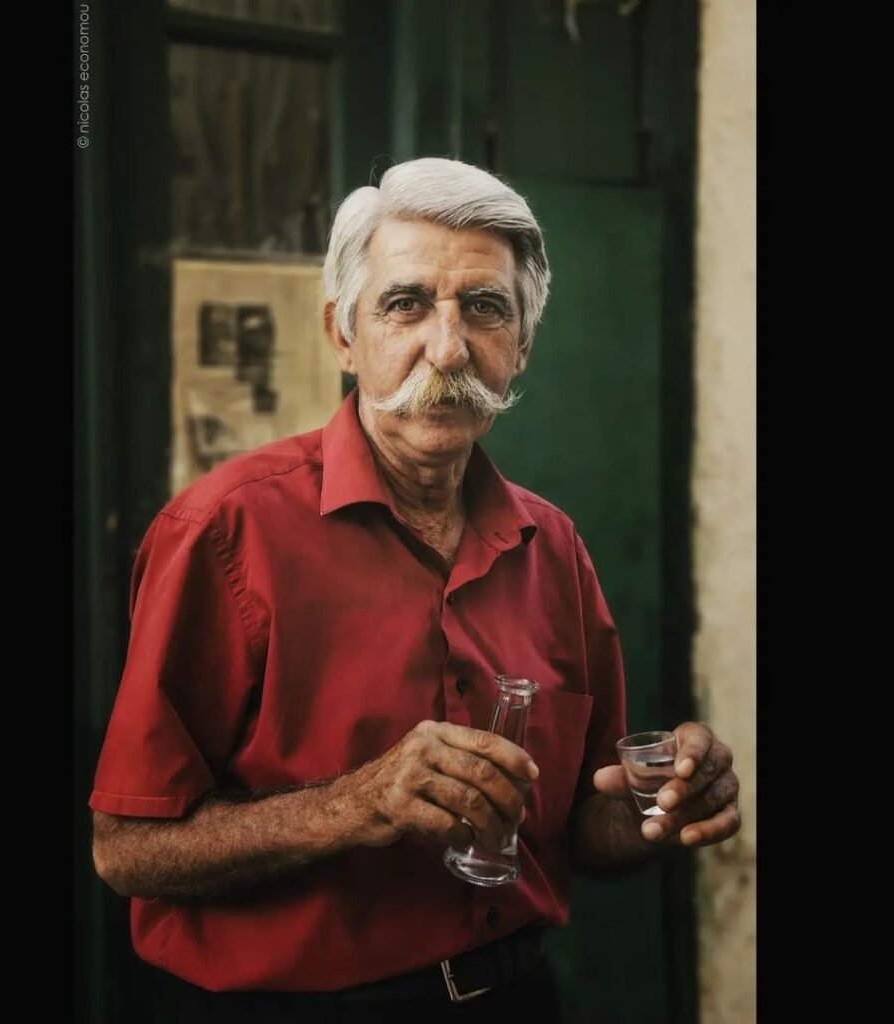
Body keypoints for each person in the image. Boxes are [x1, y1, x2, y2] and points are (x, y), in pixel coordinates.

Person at [90, 157, 741, 1023]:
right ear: (342, 334)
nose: (448, 346)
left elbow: (585, 824)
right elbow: (126, 850)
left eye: (485, 308)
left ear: (522, 345)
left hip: (515, 998)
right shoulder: (222, 533)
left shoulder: (554, 548)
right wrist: (356, 803)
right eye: (405, 305)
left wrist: (663, 807)